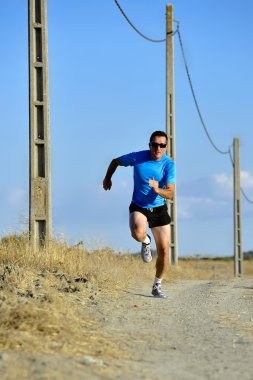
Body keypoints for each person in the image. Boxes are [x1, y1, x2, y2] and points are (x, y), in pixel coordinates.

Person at [103, 131, 175, 298]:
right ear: (149, 144)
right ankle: (146, 240)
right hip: (139, 206)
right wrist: (108, 178)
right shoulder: (138, 157)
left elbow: (170, 193)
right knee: (137, 232)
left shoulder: (169, 165)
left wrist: (157, 189)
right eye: (155, 144)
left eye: (162, 145)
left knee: (164, 251)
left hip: (159, 208)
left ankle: (157, 285)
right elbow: (115, 161)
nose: (158, 148)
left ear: (166, 146)